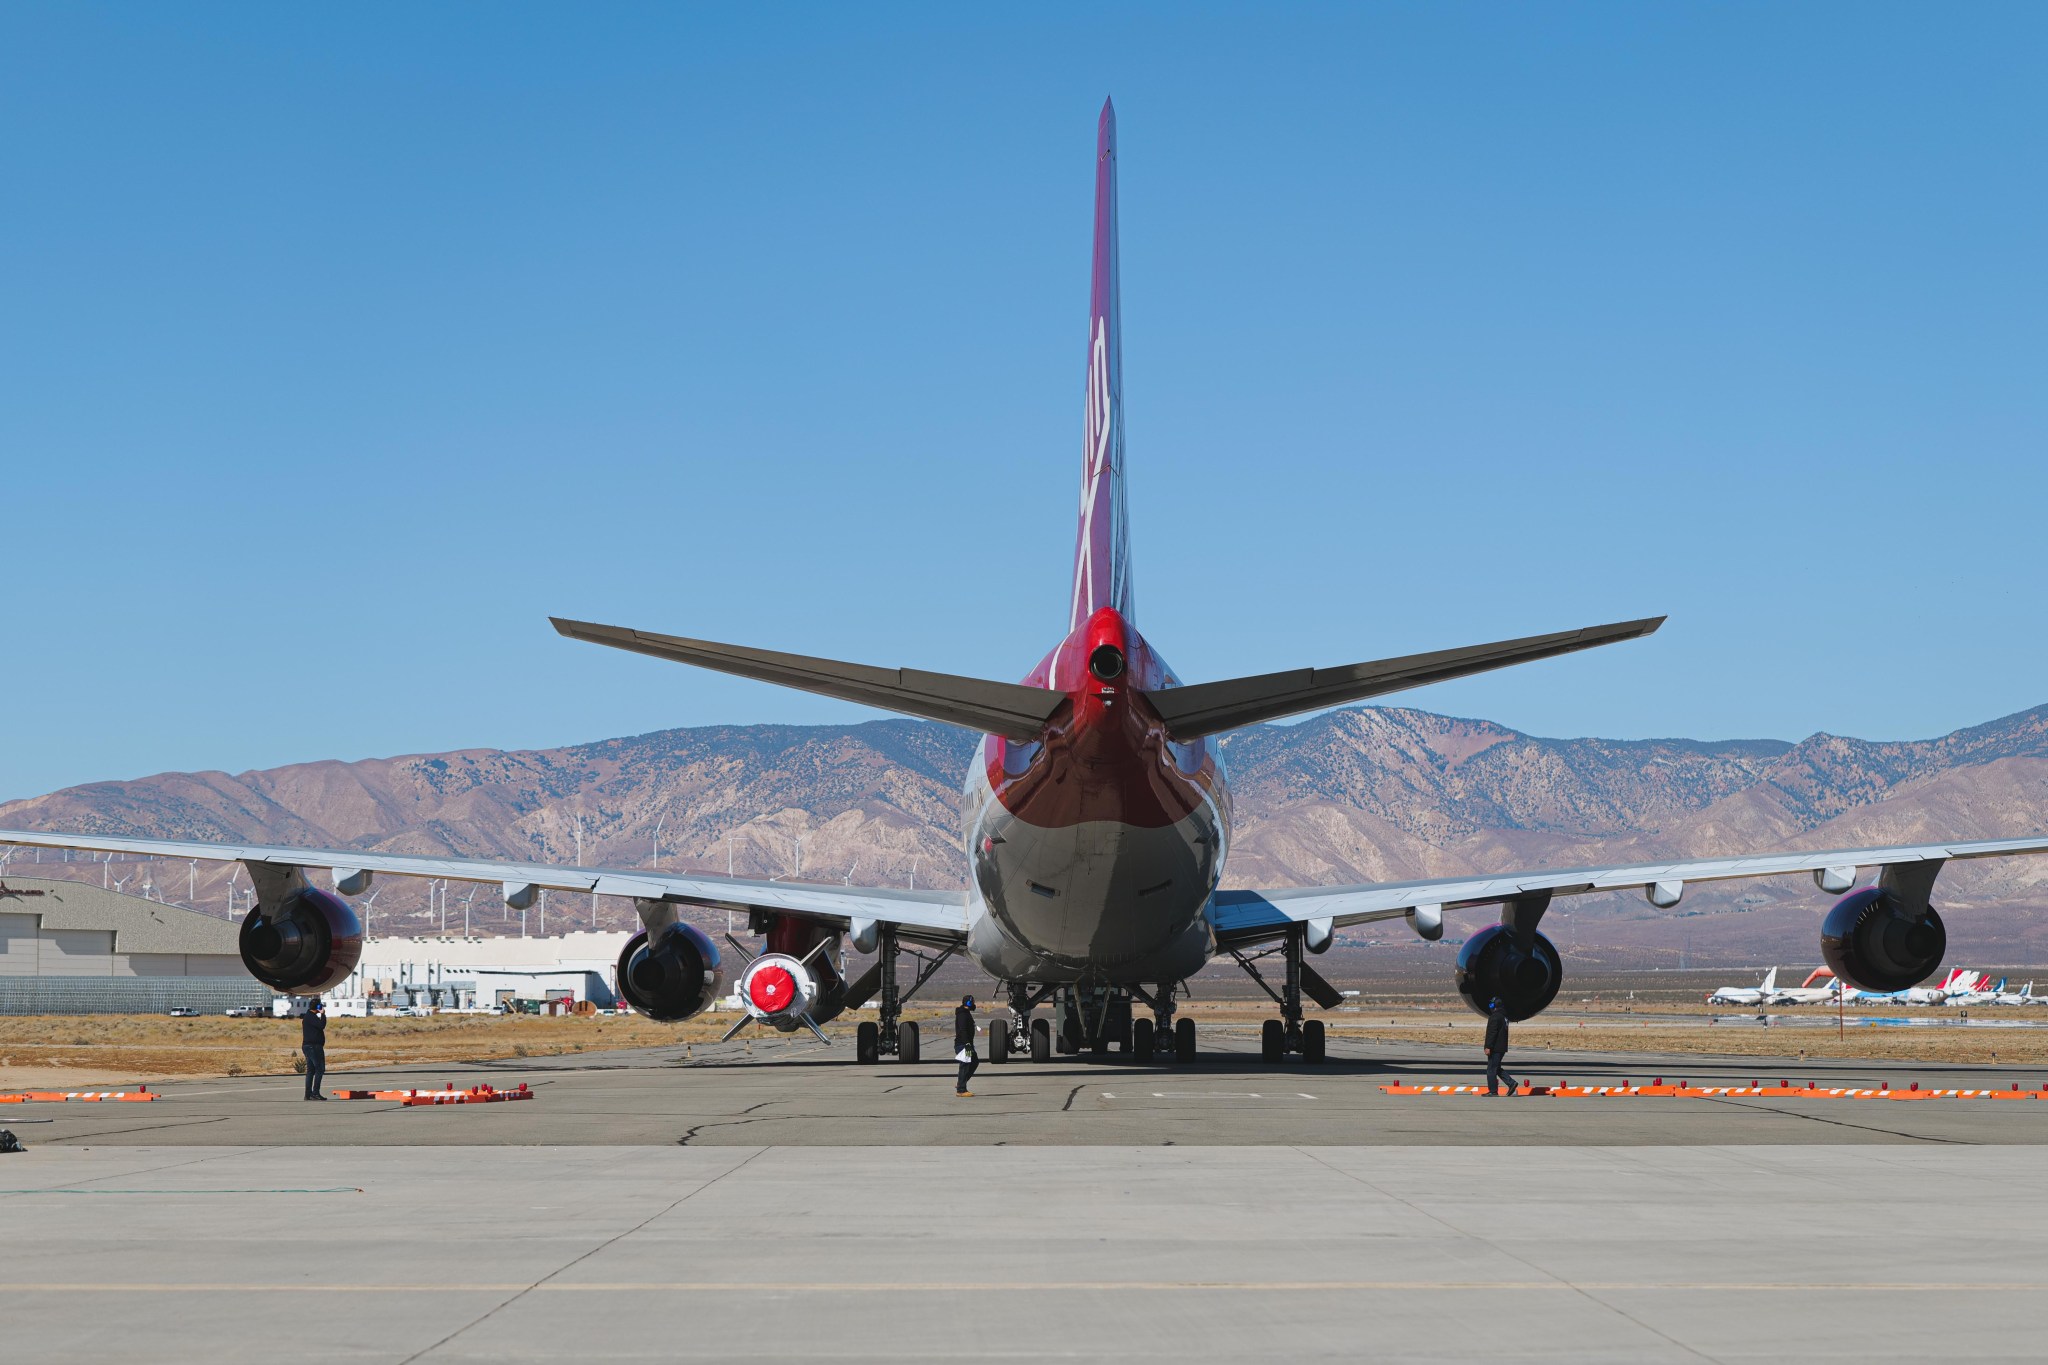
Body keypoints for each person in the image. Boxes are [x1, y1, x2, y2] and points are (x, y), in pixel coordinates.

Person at [1484, 997, 1518, 1096]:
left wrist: (1488, 1046)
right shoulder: (1504, 1017)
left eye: (1491, 1005)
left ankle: (1493, 1091)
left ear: (1496, 1006)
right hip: (1502, 1047)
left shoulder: (1495, 1017)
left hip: (1495, 1048)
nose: (1490, 1007)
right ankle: (1511, 1083)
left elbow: (1492, 1033)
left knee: (1491, 1069)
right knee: (1496, 1068)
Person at [301, 997, 328, 1101]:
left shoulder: (308, 1016)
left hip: (308, 1046)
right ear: (318, 1006)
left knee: (311, 1071)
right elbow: (322, 1025)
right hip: (314, 1047)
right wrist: (323, 1014)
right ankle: (315, 1093)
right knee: (319, 1069)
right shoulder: (312, 1017)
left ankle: (308, 1094)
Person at [953, 994, 980, 1097]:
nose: (974, 1004)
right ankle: (961, 1090)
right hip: (964, 1045)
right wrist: (967, 1044)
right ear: (968, 1003)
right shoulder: (962, 1014)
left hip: (967, 1044)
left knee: (974, 1062)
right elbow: (962, 1030)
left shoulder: (966, 1013)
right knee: (965, 1065)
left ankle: (961, 1083)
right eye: (972, 1002)